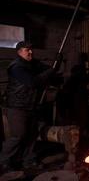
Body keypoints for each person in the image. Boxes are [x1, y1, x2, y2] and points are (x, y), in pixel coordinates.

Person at [0, 41, 62, 172]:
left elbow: (46, 69)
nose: (30, 52)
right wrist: (52, 71)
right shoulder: (16, 67)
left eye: (31, 49)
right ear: (19, 52)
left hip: (31, 106)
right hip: (17, 107)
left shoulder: (32, 63)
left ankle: (28, 160)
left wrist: (56, 63)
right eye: (27, 50)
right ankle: (4, 160)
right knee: (19, 135)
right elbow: (32, 82)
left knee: (32, 135)